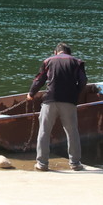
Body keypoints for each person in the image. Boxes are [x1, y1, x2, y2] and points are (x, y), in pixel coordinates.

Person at [27, 42, 87, 172]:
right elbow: (83, 81)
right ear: (68, 53)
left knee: (44, 131)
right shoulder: (77, 62)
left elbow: (39, 80)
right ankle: (75, 163)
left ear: (56, 52)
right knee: (72, 132)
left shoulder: (48, 61)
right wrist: (75, 92)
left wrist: (31, 93)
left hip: (50, 100)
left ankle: (42, 164)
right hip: (69, 102)